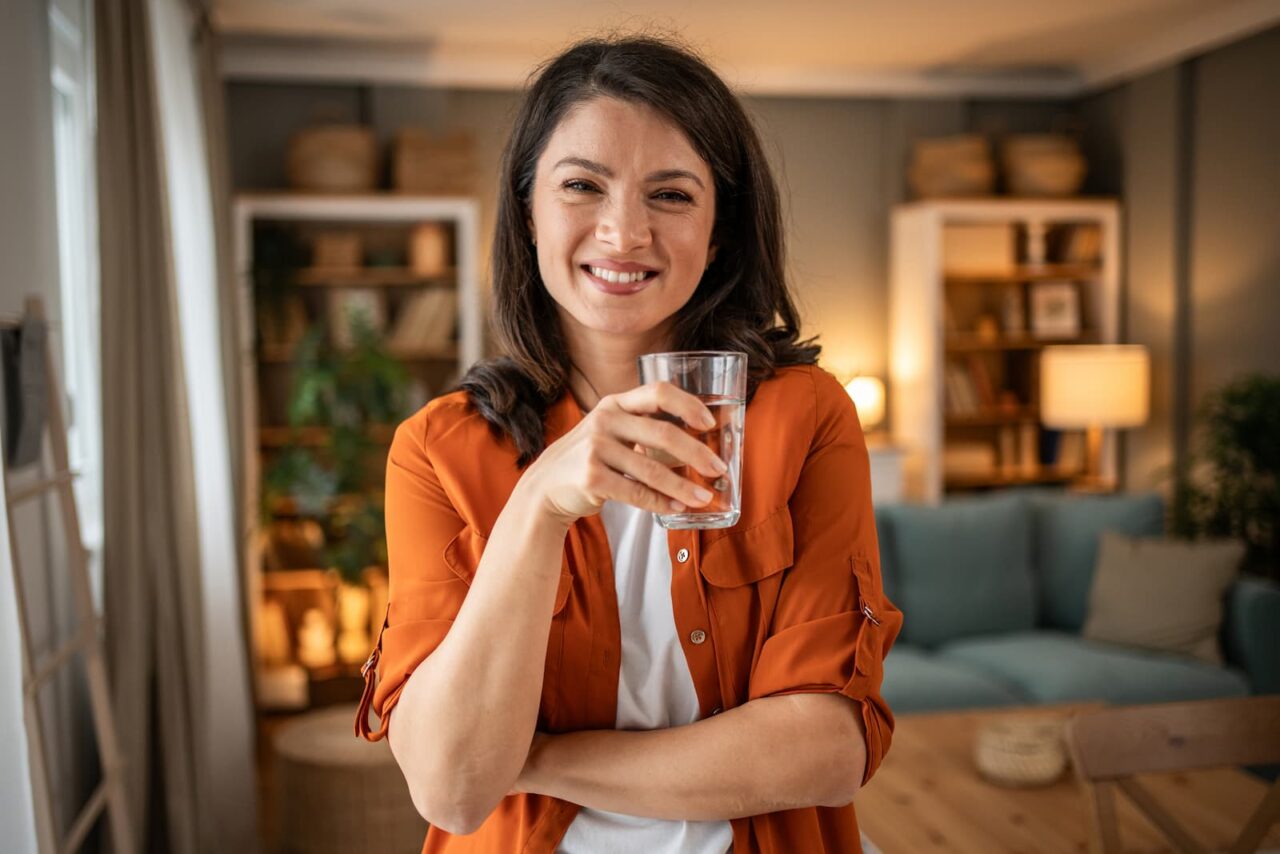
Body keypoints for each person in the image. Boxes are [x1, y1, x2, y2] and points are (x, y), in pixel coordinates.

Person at [355, 33, 903, 854]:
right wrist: (540, 500)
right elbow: (454, 789)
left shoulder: (806, 417)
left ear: (718, 230)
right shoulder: (437, 451)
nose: (624, 232)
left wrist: (534, 759)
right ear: (529, 210)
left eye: (672, 195)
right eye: (582, 185)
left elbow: (825, 751)